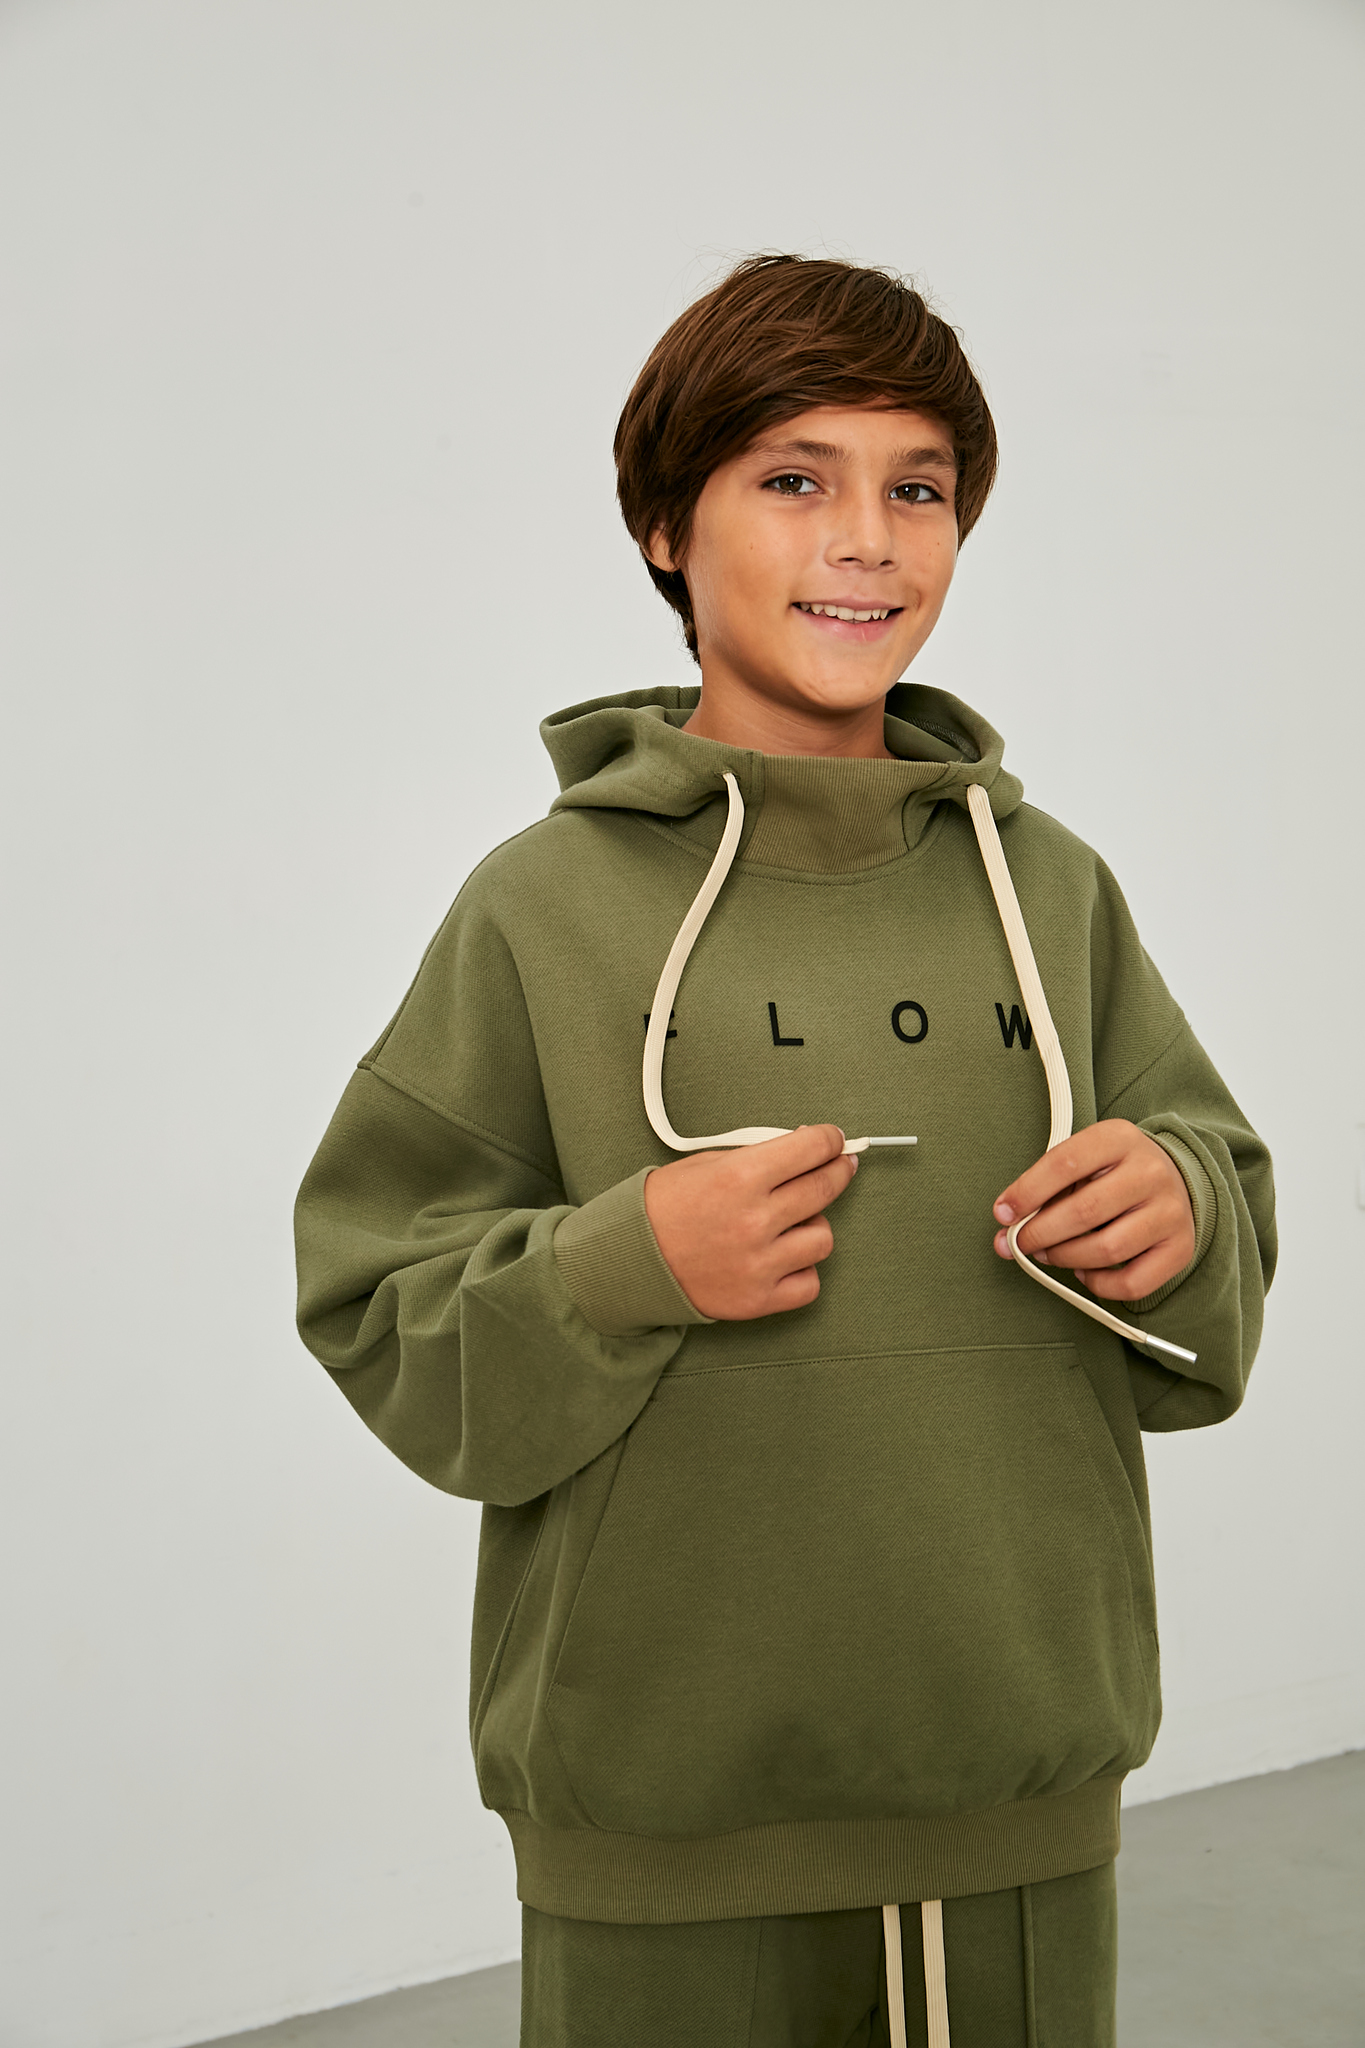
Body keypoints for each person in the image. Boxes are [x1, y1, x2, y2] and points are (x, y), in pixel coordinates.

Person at [294, 255, 1275, 2047]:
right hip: (665, 1825)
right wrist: (622, 1266)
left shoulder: (1049, 890)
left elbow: (1217, 1209)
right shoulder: (539, 907)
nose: (867, 541)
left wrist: (1181, 1209)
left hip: (1018, 1798)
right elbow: (376, 1306)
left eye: (919, 488)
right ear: (667, 527)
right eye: (794, 478)